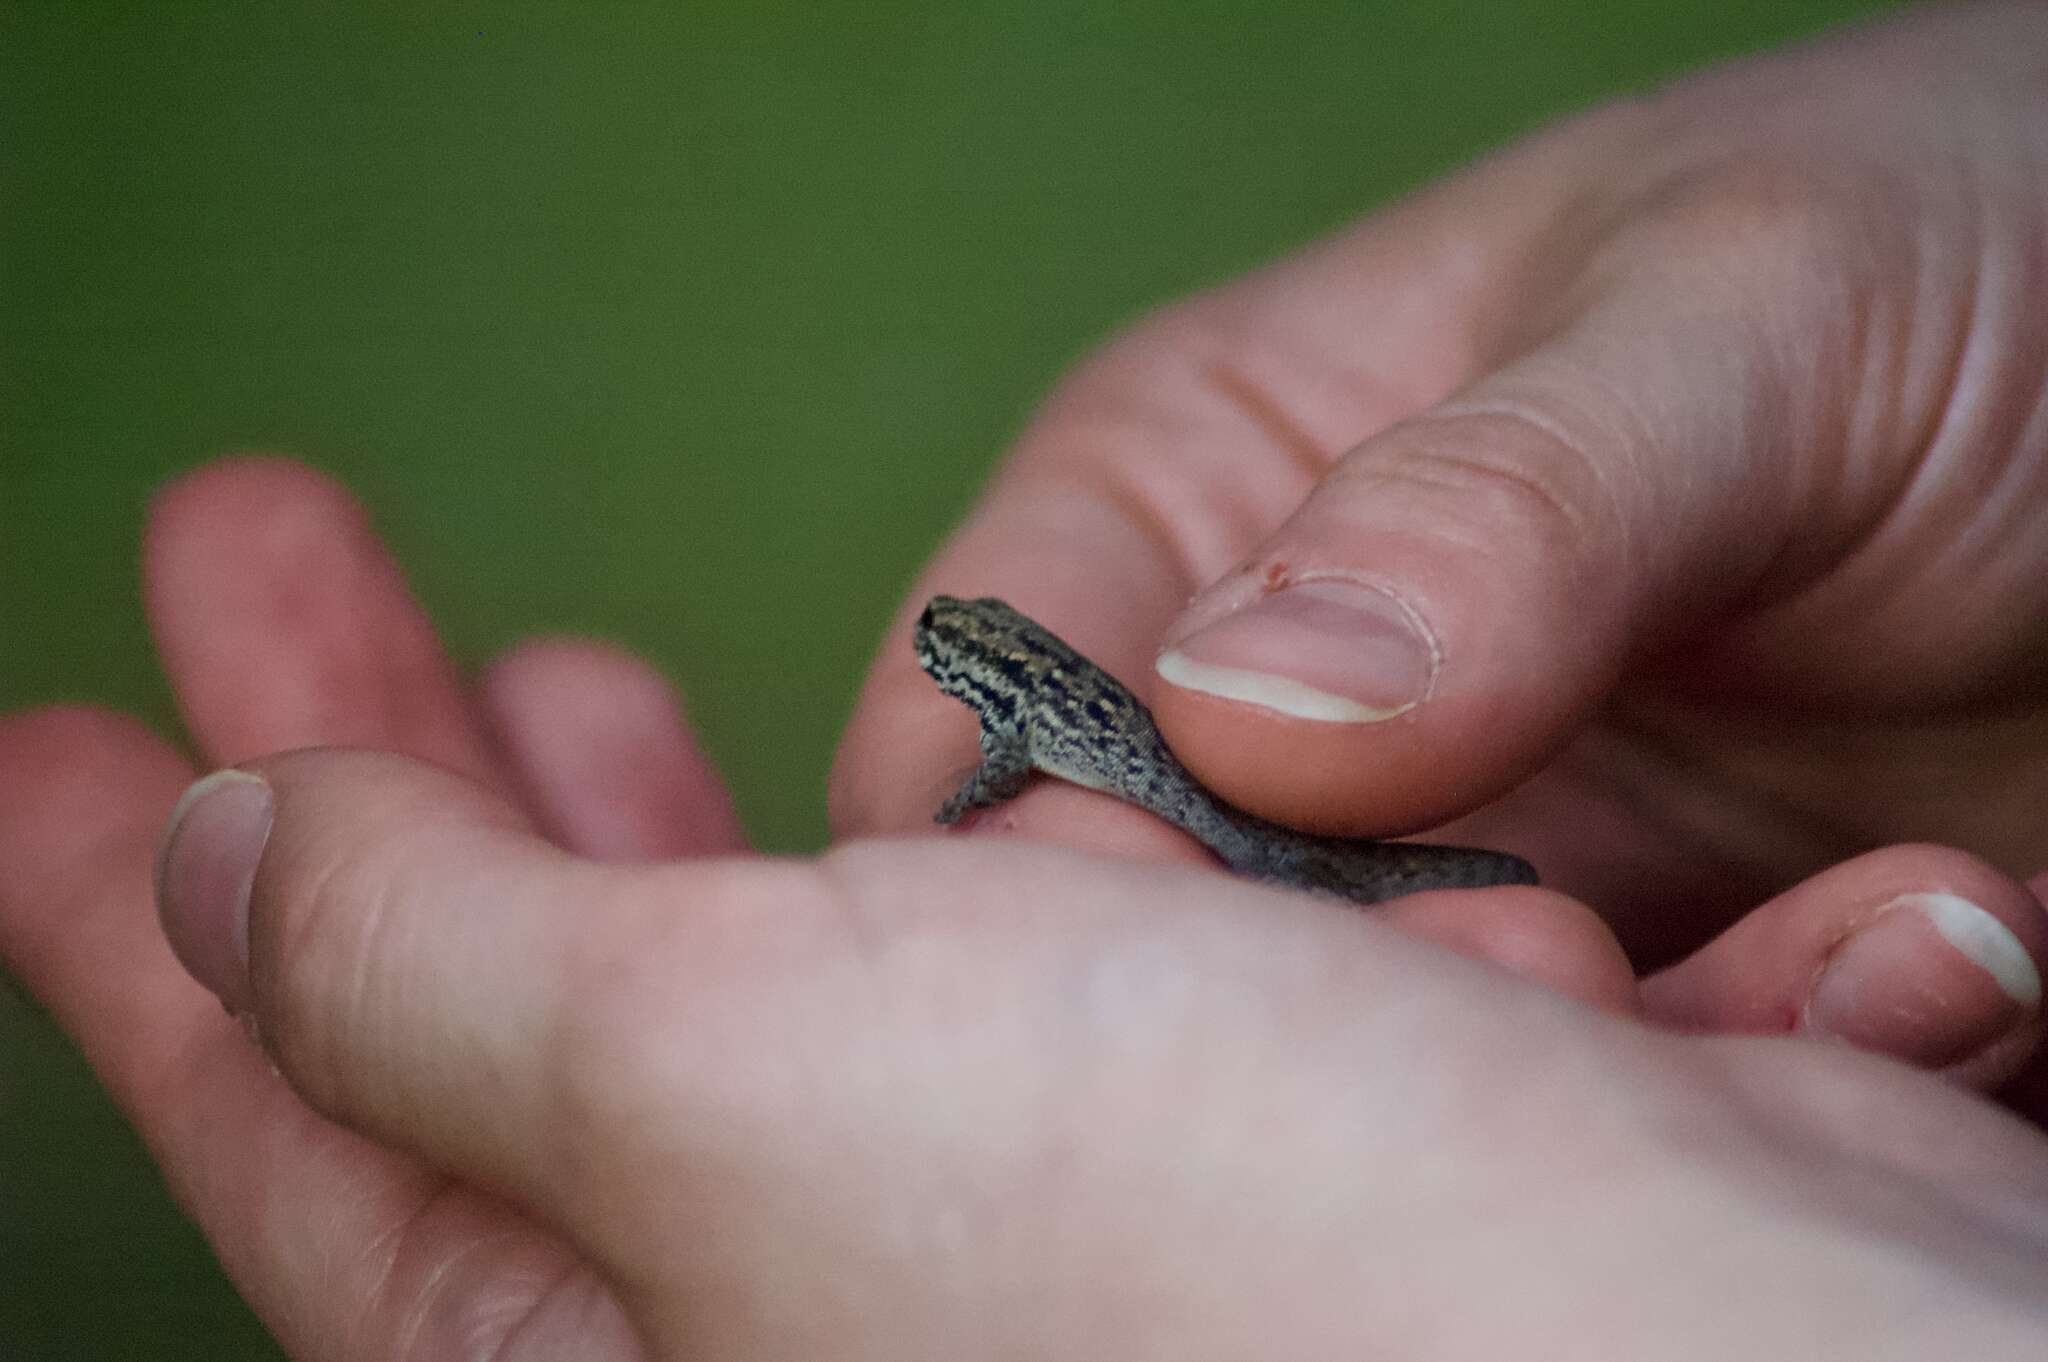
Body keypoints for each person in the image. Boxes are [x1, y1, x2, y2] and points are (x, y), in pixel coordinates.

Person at [5, 2, 2048, 1355]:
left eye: (963, 655)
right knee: (1367, 880)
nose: (953, 662)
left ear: (991, 667)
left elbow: (996, 777)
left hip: (1271, 826)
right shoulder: (1030, 713)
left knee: (1356, 876)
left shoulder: (1026, 724)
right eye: (968, 659)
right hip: (1283, 839)